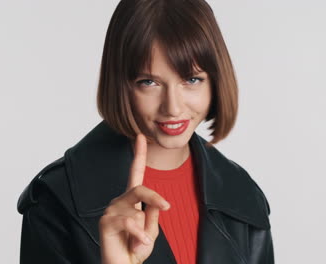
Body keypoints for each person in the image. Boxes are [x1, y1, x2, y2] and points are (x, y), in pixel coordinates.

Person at [17, 0, 275, 263]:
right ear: (121, 85)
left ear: (215, 82)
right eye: (149, 82)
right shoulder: (57, 200)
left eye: (191, 79)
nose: (173, 107)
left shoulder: (243, 196)